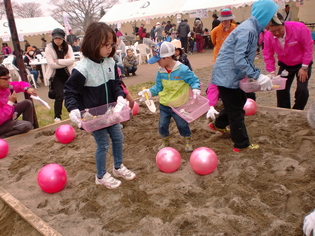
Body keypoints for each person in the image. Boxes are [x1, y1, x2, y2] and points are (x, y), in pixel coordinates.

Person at [64, 21, 136, 189]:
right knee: (103, 144)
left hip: (111, 112)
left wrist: (120, 97)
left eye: (111, 44)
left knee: (118, 138)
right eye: (105, 45)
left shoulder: (110, 63)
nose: (109, 48)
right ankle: (101, 175)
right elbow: (70, 91)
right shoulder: (83, 68)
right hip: (94, 115)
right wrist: (73, 108)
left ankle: (118, 166)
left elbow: (117, 84)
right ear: (93, 43)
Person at [209, 0, 279, 152]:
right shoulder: (249, 30)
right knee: (236, 112)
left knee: (239, 100)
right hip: (227, 76)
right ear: (265, 16)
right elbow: (240, 59)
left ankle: (219, 124)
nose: (272, 21)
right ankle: (241, 145)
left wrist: (255, 74)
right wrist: (258, 75)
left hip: (230, 74)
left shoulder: (251, 28)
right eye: (271, 17)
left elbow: (243, 57)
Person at [138, 41, 200, 152]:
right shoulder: (161, 71)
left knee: (182, 124)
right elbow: (158, 87)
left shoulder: (182, 69)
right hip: (164, 104)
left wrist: (195, 88)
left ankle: (187, 140)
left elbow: (194, 80)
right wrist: (149, 92)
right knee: (162, 124)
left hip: (179, 105)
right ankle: (165, 141)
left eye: (158, 60)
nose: (157, 63)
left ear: (167, 57)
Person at [263, 14, 314, 110]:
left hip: (302, 63)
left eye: (279, 29)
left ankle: (297, 109)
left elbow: (308, 48)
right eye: (273, 31)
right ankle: (284, 110)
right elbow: (268, 54)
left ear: (284, 25)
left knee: (302, 90)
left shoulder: (299, 28)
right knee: (281, 88)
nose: (277, 33)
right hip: (285, 64)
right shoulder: (268, 36)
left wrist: (304, 67)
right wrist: (272, 72)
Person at [45, 28, 75, 123]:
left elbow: (72, 60)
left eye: (60, 38)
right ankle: (57, 116)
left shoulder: (68, 47)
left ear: (63, 39)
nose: (58, 40)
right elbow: (51, 64)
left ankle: (73, 112)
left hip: (68, 73)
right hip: (56, 75)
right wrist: (65, 61)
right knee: (60, 95)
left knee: (71, 94)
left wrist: (57, 61)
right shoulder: (49, 48)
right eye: (56, 38)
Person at [0, 65, 37, 138]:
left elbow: (19, 84)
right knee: (26, 125)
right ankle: (3, 137)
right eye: (5, 79)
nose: (9, 81)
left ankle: (27, 130)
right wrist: (10, 103)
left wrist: (26, 88)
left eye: (9, 77)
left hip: (8, 116)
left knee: (27, 103)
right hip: (2, 122)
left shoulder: (5, 87)